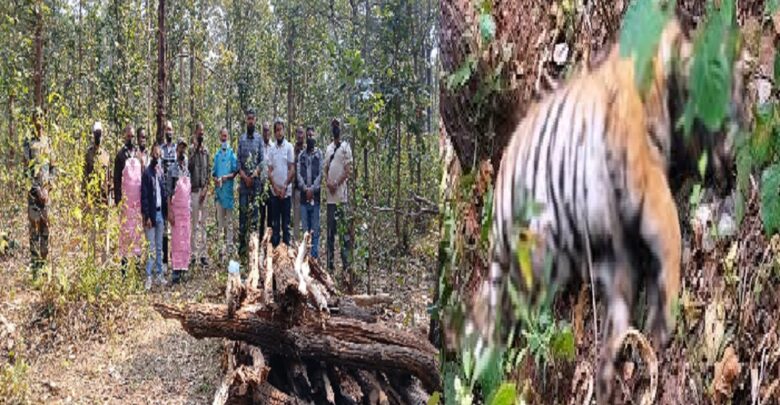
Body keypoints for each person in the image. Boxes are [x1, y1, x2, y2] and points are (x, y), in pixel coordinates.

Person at [23, 110, 56, 277]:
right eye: (36, 116)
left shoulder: (48, 142)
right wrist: (37, 191)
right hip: (34, 197)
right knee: (34, 231)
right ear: (32, 120)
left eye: (41, 116)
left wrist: (48, 189)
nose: (39, 119)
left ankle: (44, 268)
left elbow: (53, 168)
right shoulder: (28, 143)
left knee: (45, 231)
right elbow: (26, 171)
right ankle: (35, 270)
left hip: (46, 196)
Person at [324, 119, 353, 286]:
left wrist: (336, 183)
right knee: (330, 234)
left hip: (341, 198)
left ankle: (346, 268)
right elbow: (325, 169)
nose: (335, 128)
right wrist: (328, 182)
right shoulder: (328, 148)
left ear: (340, 129)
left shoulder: (346, 147)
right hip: (330, 200)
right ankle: (329, 267)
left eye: (337, 126)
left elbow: (348, 171)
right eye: (333, 126)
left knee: (344, 235)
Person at [115, 125, 145, 277]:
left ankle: (138, 270)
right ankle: (124, 271)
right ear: (124, 136)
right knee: (125, 235)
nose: (131, 139)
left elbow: (143, 177)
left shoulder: (139, 154)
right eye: (128, 136)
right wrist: (118, 202)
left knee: (137, 235)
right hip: (126, 204)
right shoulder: (120, 155)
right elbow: (116, 180)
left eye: (133, 136)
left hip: (138, 203)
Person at [237, 109, 265, 262]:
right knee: (242, 218)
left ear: (255, 121)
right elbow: (238, 163)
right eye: (248, 119)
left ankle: (254, 251)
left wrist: (253, 175)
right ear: (246, 120)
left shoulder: (259, 140)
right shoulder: (241, 140)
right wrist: (245, 177)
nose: (250, 121)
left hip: (255, 185)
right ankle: (242, 252)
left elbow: (262, 161)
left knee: (254, 219)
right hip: (243, 185)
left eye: (252, 119)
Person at [141, 143, 168, 290]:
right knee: (150, 247)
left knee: (159, 246)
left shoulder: (160, 173)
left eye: (159, 155)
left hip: (160, 214)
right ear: (151, 155)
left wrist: (165, 213)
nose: (157, 157)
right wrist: (147, 216)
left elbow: (163, 194)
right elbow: (144, 197)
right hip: (151, 215)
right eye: (155, 154)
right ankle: (148, 276)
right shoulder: (147, 173)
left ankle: (159, 274)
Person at [82, 121, 111, 263]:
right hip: (92, 200)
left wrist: (110, 198)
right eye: (96, 133)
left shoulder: (106, 155)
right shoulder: (88, 155)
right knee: (92, 231)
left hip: (104, 200)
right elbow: (84, 178)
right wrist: (85, 199)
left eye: (100, 133)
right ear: (93, 135)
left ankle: (105, 262)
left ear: (102, 135)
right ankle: (92, 262)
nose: (98, 136)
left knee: (104, 232)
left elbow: (109, 178)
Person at [267, 118, 295, 247]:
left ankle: (287, 252)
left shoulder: (289, 147)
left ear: (284, 130)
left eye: (281, 130)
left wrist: (284, 187)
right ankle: (275, 252)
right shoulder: (271, 149)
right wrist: (275, 187)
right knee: (275, 225)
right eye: (277, 130)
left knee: (286, 225)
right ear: (274, 132)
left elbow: (292, 169)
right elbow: (269, 170)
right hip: (274, 193)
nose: (279, 132)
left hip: (286, 193)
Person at [213, 128, 239, 262]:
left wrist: (226, 177)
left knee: (229, 223)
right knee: (220, 223)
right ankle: (220, 251)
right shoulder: (217, 156)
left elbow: (235, 172)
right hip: (219, 195)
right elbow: (213, 173)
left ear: (228, 137)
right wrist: (216, 180)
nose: (224, 138)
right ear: (219, 137)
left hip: (228, 194)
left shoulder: (231, 154)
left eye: (225, 136)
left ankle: (229, 250)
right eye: (222, 136)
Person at [297, 127, 323, 258]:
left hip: (315, 198)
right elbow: (298, 174)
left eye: (312, 136)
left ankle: (314, 257)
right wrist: (305, 188)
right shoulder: (301, 155)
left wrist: (312, 189)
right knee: (305, 229)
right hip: (303, 198)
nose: (310, 138)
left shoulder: (319, 154)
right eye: (308, 136)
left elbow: (321, 173)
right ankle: (305, 257)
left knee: (315, 229)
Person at [168, 140, 191, 284]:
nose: (182, 150)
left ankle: (184, 269)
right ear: (177, 149)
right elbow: (168, 192)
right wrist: (169, 211)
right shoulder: (172, 169)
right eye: (180, 147)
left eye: (184, 148)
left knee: (185, 240)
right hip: (176, 210)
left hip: (186, 211)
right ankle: (176, 271)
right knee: (176, 241)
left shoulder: (187, 169)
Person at [188, 122, 210, 267]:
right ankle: (193, 254)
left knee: (204, 224)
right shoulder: (191, 150)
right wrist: (195, 149)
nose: (201, 134)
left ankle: (203, 254)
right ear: (195, 133)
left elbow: (208, 171)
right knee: (194, 223)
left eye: (203, 132)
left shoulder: (206, 151)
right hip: (194, 191)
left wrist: (206, 188)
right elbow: (188, 167)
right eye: (199, 132)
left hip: (204, 192)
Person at [160, 120, 177, 272]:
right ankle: (165, 261)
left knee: (176, 228)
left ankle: (176, 260)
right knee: (164, 229)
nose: (169, 132)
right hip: (164, 193)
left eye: (170, 129)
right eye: (167, 129)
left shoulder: (178, 149)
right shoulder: (161, 149)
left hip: (176, 195)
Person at [292, 126, 305, 242]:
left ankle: (306, 245)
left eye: (301, 133)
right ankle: (296, 243)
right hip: (296, 189)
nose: (300, 135)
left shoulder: (308, 149)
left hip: (307, 190)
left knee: (306, 220)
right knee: (296, 218)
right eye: (298, 133)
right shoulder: (292, 150)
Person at [260, 122, 272, 235]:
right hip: (261, 185)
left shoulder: (274, 147)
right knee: (261, 215)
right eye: (264, 130)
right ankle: (260, 239)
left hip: (272, 186)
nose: (266, 132)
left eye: (268, 130)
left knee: (271, 217)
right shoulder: (259, 146)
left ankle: (269, 241)